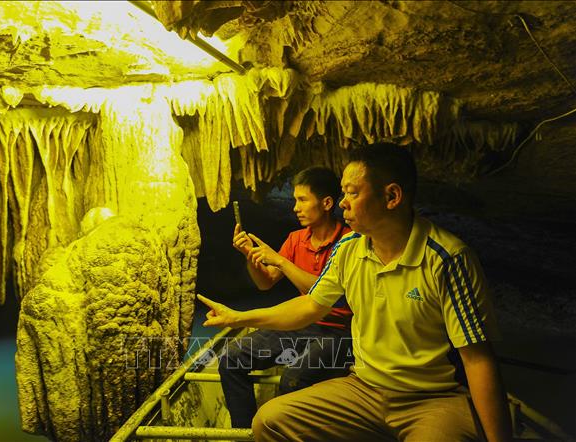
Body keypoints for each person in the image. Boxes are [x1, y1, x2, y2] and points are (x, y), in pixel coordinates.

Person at [200, 143, 512, 441]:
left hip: (431, 398)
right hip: (363, 389)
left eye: (352, 192)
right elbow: (309, 306)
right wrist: (239, 317)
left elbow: (478, 360)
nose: (342, 202)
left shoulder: (447, 259)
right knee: (270, 422)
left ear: (391, 196)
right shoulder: (349, 248)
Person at [219, 166, 354, 428]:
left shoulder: (348, 242)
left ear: (326, 203)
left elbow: (324, 293)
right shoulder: (296, 239)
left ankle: (290, 432)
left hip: (339, 332)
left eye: (303, 200)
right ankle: (245, 433)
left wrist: (280, 260)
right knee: (231, 359)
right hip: (300, 324)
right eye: (295, 200)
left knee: (293, 379)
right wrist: (250, 256)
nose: (295, 208)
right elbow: (266, 283)